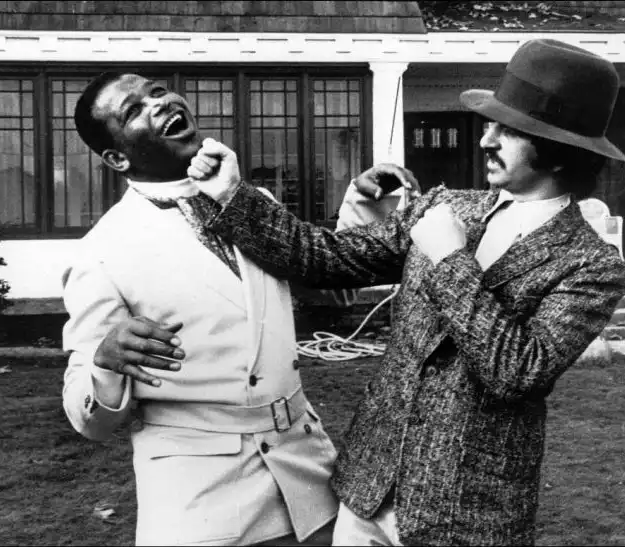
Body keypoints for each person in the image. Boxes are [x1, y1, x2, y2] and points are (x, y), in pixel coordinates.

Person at [187, 39, 625, 546]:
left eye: (507, 130)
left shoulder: (592, 265)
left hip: (468, 515)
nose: (486, 140)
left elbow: (517, 372)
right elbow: (322, 257)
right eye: (490, 124)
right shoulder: (444, 208)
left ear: (558, 150)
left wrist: (450, 259)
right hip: (367, 491)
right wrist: (231, 193)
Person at [60, 71, 401, 546]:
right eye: (134, 110)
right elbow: (89, 422)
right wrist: (105, 362)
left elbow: (330, 290)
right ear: (116, 157)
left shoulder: (251, 201)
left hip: (307, 476)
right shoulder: (102, 253)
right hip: (202, 501)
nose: (159, 103)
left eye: (157, 91)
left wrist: (363, 205)